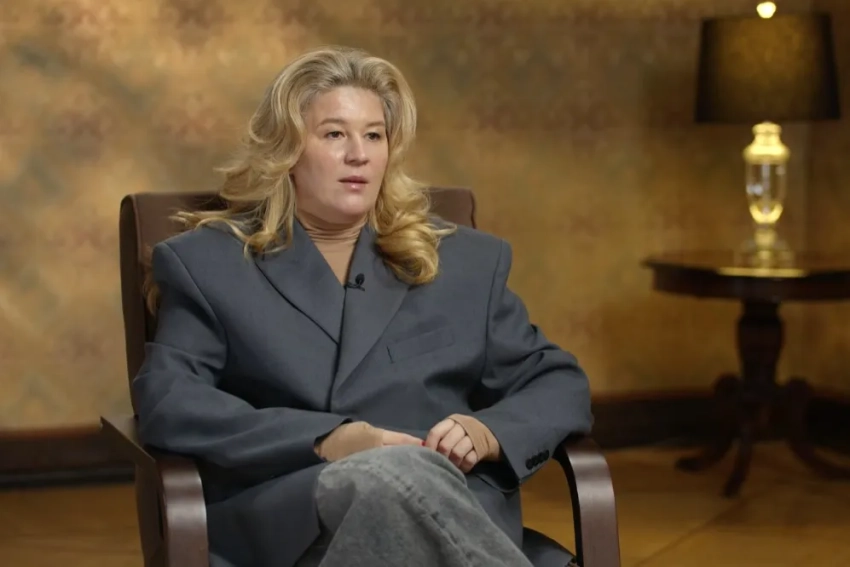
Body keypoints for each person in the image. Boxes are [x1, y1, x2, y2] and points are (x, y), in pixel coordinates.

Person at [133, 45, 592, 567]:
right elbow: (171, 399)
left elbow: (558, 383)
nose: (360, 154)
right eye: (334, 134)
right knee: (389, 477)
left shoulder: (466, 261)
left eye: (374, 135)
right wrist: (325, 440)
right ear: (287, 150)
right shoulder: (208, 264)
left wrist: (487, 433)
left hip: (453, 513)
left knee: (407, 482)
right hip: (302, 518)